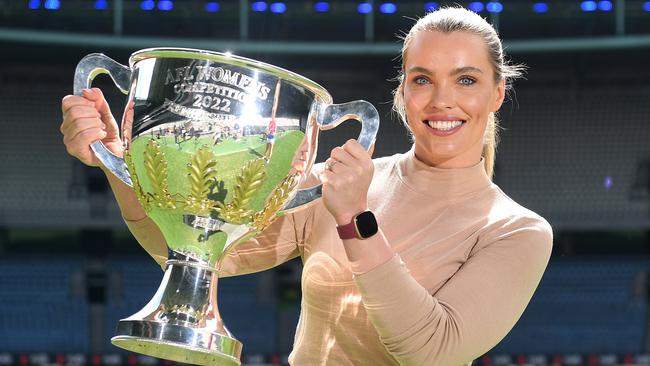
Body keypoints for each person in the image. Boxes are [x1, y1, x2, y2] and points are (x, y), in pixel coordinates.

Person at [60, 7, 552, 365]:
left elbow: (433, 350)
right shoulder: (341, 182)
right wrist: (120, 163)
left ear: (497, 92)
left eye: (465, 80)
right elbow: (208, 253)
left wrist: (354, 221)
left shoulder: (517, 231)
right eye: (422, 79)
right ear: (402, 91)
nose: (442, 100)